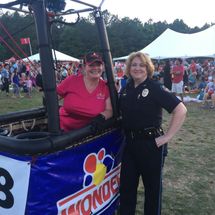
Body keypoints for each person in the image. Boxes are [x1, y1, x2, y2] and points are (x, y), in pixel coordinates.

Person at [119, 52, 187, 215]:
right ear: (129, 68)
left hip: (151, 145)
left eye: (141, 65)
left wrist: (166, 137)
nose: (137, 68)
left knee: (152, 191)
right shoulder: (126, 87)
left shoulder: (154, 88)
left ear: (148, 68)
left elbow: (180, 110)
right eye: (134, 65)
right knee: (126, 189)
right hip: (129, 145)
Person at [57, 52, 113, 132]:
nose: (95, 68)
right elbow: (54, 98)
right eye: (91, 65)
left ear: (103, 67)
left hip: (88, 132)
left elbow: (109, 110)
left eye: (98, 65)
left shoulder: (105, 87)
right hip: (63, 131)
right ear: (84, 67)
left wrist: (102, 117)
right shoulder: (71, 80)